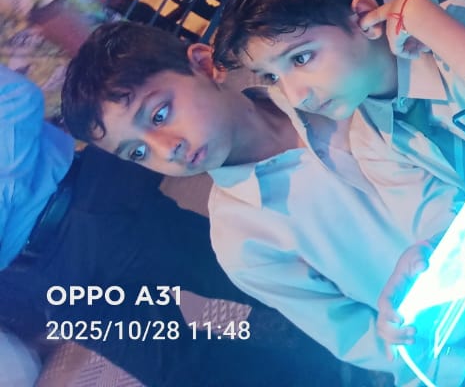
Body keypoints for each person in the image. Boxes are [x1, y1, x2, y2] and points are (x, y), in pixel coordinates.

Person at [60, 21, 420, 378]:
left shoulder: (325, 86)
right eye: (138, 153)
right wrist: (398, 339)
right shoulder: (241, 241)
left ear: (204, 65)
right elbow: (354, 336)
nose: (167, 149)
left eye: (160, 115)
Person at [214, 0, 465, 346]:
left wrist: (423, 16)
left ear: (363, 17)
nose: (295, 95)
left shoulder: (447, 28)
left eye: (301, 58)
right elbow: (440, 211)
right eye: (273, 77)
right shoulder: (369, 142)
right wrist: (422, 256)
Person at [0, 63, 354, 387]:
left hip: (86, 203)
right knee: (176, 371)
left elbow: (18, 97)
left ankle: (345, 340)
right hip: (34, 272)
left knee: (234, 276)